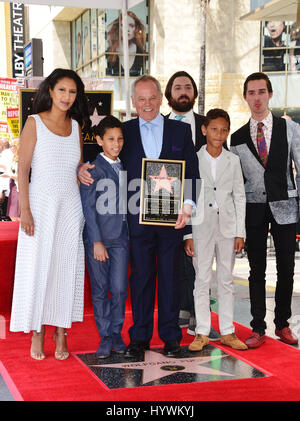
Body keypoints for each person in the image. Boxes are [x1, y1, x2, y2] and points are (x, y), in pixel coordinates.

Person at [78, 75, 199, 357]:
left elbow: (192, 171)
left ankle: (171, 337)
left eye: (152, 98)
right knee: (141, 279)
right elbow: (99, 157)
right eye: (141, 99)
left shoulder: (180, 132)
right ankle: (140, 337)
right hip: (135, 222)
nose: (147, 104)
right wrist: (81, 168)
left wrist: (188, 206)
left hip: (172, 221)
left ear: (160, 98)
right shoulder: (125, 131)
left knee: (171, 278)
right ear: (133, 102)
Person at [9, 68, 90, 360]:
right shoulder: (34, 123)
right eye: (62, 90)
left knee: (65, 269)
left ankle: (61, 332)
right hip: (40, 208)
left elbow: (76, 168)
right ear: (50, 91)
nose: (67, 97)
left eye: (72, 92)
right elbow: (24, 170)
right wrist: (25, 210)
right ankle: (38, 331)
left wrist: (83, 172)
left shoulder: (77, 127)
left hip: (70, 207)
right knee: (39, 269)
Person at [230, 72, 300, 348]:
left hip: (286, 205)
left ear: (270, 94)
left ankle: (282, 324)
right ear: (245, 97)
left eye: (261, 92)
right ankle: (257, 326)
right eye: (251, 93)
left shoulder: (291, 129)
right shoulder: (236, 138)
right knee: (255, 269)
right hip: (253, 209)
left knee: (286, 268)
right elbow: (236, 185)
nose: (257, 98)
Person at [164, 71, 221, 340]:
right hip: (166, 204)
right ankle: (181, 310)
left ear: (194, 93)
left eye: (188, 87)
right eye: (177, 87)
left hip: (202, 204)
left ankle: (201, 317)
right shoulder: (158, 124)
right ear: (169, 94)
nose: (183, 91)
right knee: (173, 262)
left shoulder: (207, 124)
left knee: (199, 263)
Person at [185, 109, 247, 351]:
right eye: (214, 129)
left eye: (223, 130)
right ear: (204, 130)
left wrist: (240, 232)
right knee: (201, 279)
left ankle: (228, 331)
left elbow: (239, 197)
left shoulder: (233, 161)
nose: (218, 134)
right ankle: (201, 331)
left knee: (226, 279)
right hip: (200, 225)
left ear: (227, 132)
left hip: (228, 227)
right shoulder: (194, 158)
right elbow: (187, 195)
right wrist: (187, 234)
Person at [80, 115, 129, 359]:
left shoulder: (126, 165)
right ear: (99, 140)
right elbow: (88, 208)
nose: (116, 144)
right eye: (110, 139)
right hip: (97, 240)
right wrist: (96, 241)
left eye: (119, 139)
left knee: (119, 289)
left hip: (121, 239)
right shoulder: (92, 169)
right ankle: (105, 336)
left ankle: (117, 331)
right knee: (100, 289)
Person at [106, 11, 146, 76]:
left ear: (136, 28)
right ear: (119, 27)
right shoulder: (110, 52)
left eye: (131, 26)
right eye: (123, 25)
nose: (127, 29)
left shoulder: (141, 53)